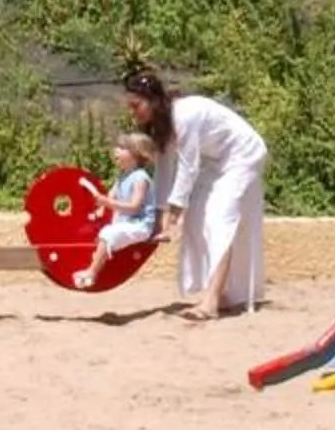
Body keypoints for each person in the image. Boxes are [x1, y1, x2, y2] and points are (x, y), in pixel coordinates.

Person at [121, 70, 269, 320]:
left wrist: (174, 213)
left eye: (136, 105)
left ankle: (212, 302)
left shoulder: (184, 116)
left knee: (219, 217)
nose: (132, 112)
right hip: (217, 161)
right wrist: (159, 219)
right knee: (197, 216)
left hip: (243, 154)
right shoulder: (161, 123)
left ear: (154, 101)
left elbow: (188, 167)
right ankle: (222, 293)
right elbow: (165, 169)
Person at [74, 132, 161, 289]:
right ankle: (95, 259)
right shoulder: (122, 176)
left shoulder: (140, 178)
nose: (116, 150)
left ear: (136, 155)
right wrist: (101, 209)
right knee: (92, 230)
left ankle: (92, 273)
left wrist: (107, 203)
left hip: (139, 225)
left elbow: (134, 206)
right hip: (125, 221)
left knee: (108, 234)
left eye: (122, 148)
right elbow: (111, 195)